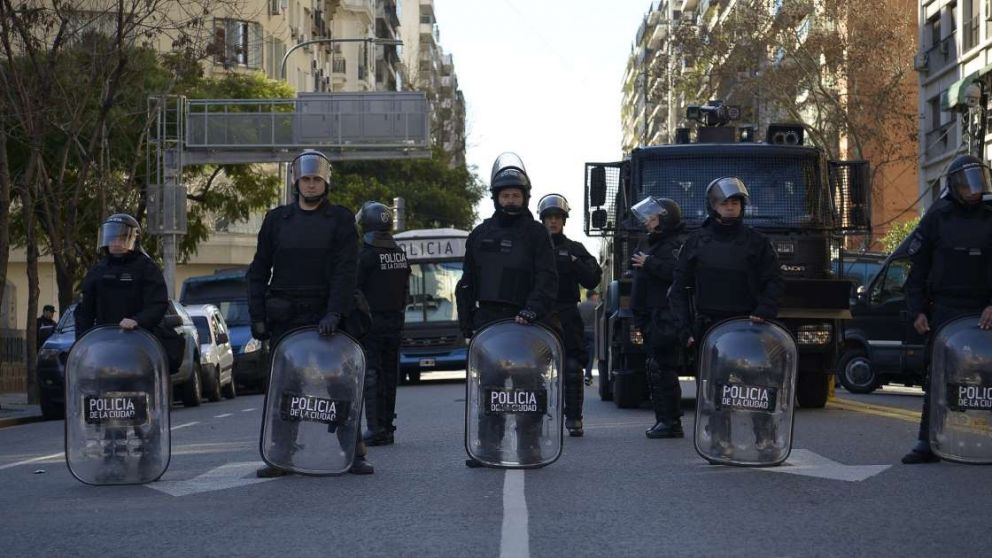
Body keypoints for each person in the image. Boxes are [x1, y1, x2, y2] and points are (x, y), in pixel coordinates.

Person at [247, 149, 373, 477]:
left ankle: (353, 452)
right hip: (285, 314)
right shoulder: (277, 220)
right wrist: (257, 315)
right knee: (286, 386)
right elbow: (259, 269)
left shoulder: (341, 219)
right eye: (306, 179)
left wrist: (335, 311)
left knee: (339, 385)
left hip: (326, 313)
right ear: (296, 181)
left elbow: (347, 269)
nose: (311, 185)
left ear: (325, 181)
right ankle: (281, 455)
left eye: (317, 179)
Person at [456, 152, 559, 467]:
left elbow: (547, 278)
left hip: (527, 323)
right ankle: (488, 448)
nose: (511, 200)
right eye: (505, 195)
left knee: (529, 388)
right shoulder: (480, 233)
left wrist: (532, 309)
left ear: (525, 197)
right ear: (496, 197)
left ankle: (530, 447)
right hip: (489, 322)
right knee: (491, 389)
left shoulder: (537, 234)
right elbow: (467, 282)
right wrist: (467, 324)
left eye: (516, 195)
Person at [670, 177, 783, 455]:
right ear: (713, 206)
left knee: (759, 386)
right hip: (710, 327)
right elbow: (678, 291)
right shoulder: (696, 242)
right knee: (717, 390)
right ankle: (721, 440)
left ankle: (765, 439)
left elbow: (774, 281)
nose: (731, 208)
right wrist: (686, 331)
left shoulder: (757, 242)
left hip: (749, 327)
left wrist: (764, 311)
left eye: (735, 203)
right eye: (725, 203)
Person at [902, 153, 992, 464]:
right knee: (938, 373)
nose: (974, 190)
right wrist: (917, 311)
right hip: (946, 307)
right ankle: (928, 441)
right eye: (968, 184)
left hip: (983, 309)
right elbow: (916, 272)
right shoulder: (937, 218)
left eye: (978, 182)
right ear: (954, 186)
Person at [75, 213, 172, 474]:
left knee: (141, 405)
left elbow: (158, 304)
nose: (116, 243)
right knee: (110, 406)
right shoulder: (98, 271)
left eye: (122, 237)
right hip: (106, 355)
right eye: (112, 237)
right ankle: (112, 456)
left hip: (139, 352)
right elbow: (84, 311)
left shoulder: (146, 268)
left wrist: (138, 321)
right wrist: (83, 344)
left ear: (133, 239)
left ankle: (148, 454)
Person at [538, 193, 601, 436]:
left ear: (564, 220)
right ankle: (535, 418)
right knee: (533, 370)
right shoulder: (533, 248)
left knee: (573, 368)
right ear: (542, 220)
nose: (553, 222)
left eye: (557, 217)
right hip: (539, 314)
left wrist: (573, 261)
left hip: (566, 313)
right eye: (549, 218)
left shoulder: (575, 248)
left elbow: (593, 278)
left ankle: (574, 418)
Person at [629, 196, 688, 439]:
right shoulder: (651, 243)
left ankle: (671, 421)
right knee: (655, 368)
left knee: (663, 368)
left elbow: (678, 274)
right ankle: (663, 419)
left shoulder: (673, 245)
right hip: (651, 316)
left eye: (652, 218)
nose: (647, 222)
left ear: (664, 220)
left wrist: (650, 262)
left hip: (665, 315)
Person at [355, 201, 411, 446]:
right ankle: (387, 427)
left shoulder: (366, 255)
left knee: (373, 374)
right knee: (390, 374)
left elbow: (354, 289)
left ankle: (376, 428)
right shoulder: (399, 254)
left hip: (372, 323)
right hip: (395, 321)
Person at [577, 290, 600, 385]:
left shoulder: (580, 306)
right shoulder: (596, 306)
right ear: (593, 296)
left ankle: (581, 373)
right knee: (591, 356)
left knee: (582, 353)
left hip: (582, 332)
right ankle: (587, 375)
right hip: (593, 332)